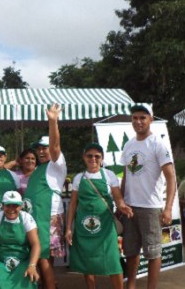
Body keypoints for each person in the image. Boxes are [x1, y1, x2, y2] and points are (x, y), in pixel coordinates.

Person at [120, 104, 176, 289]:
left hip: (151, 207)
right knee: (131, 251)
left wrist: (167, 208)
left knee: (153, 252)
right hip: (129, 207)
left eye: (143, 118)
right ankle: (132, 285)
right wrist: (120, 201)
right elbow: (126, 175)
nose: (138, 121)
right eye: (135, 118)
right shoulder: (128, 144)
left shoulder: (157, 144)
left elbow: (171, 177)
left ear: (151, 119)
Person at [65, 143, 134, 289]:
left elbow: (117, 197)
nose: (93, 159)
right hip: (84, 227)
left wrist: (122, 206)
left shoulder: (109, 175)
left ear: (102, 159)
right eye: (89, 155)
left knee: (113, 260)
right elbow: (73, 204)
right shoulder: (78, 178)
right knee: (87, 261)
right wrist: (69, 228)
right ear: (84, 157)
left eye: (97, 156)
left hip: (105, 226)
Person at [23, 103, 66, 289]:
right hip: (35, 218)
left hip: (47, 217)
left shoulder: (56, 164)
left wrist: (53, 121)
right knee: (40, 257)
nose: (41, 151)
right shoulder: (39, 169)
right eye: (39, 148)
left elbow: (55, 145)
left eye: (44, 148)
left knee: (43, 257)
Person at [0, 191, 40, 288]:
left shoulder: (26, 218)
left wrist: (32, 265)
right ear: (3, 206)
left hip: (22, 259)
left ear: (20, 206)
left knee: (28, 278)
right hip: (0, 260)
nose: (11, 209)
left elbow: (35, 244)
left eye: (15, 206)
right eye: (8, 205)